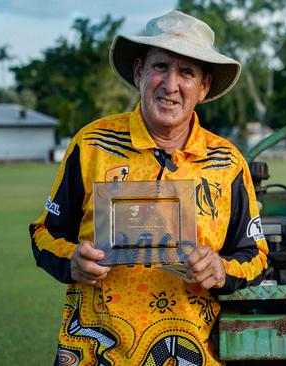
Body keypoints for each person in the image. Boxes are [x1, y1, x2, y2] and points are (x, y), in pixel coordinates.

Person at [29, 10, 269, 365]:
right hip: (95, 353)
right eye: (160, 67)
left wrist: (221, 269)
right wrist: (73, 261)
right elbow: (44, 234)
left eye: (186, 72)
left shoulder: (227, 162)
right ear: (140, 71)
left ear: (203, 87)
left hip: (192, 354)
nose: (171, 85)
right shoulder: (92, 144)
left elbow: (255, 256)